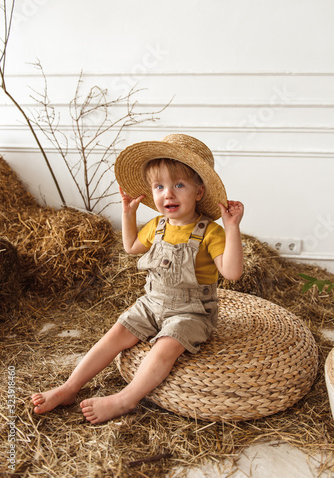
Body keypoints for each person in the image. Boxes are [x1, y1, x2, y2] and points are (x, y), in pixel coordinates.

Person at [31, 134, 244, 424]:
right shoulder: (156, 226)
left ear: (199, 192)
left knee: (166, 346)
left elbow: (232, 273)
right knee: (116, 333)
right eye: (159, 186)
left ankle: (125, 399)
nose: (168, 194)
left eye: (178, 185)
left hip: (191, 312)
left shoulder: (210, 232)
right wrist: (127, 214)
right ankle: (70, 388)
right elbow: (131, 247)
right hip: (152, 302)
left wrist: (232, 228)